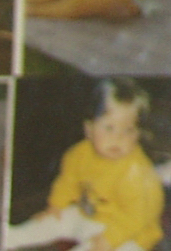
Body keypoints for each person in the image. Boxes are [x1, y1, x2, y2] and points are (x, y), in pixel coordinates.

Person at [38, 79, 163, 251]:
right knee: (57, 218)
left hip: (133, 232)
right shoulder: (78, 154)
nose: (118, 138)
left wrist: (109, 239)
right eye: (109, 128)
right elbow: (67, 182)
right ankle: (14, 236)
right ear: (89, 129)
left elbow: (137, 217)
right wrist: (55, 205)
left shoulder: (136, 172)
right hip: (96, 217)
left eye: (128, 130)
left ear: (138, 134)